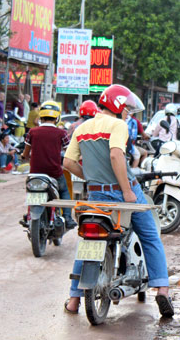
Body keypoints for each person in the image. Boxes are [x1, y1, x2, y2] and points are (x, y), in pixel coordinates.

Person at [63, 84, 173, 318]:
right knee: (150, 235)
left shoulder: (81, 128)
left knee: (87, 242)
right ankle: (162, 289)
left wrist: (91, 178)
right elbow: (115, 155)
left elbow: (68, 163)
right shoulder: (118, 125)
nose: (127, 113)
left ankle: (74, 299)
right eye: (126, 108)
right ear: (117, 105)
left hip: (95, 195)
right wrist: (127, 191)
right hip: (122, 192)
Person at [20, 101, 75, 229]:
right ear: (57, 118)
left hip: (35, 173)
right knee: (64, 191)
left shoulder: (32, 132)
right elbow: (69, 152)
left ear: (41, 116)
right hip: (54, 173)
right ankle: (67, 217)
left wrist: (24, 157)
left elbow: (25, 153)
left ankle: (29, 215)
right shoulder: (61, 133)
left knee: (31, 190)